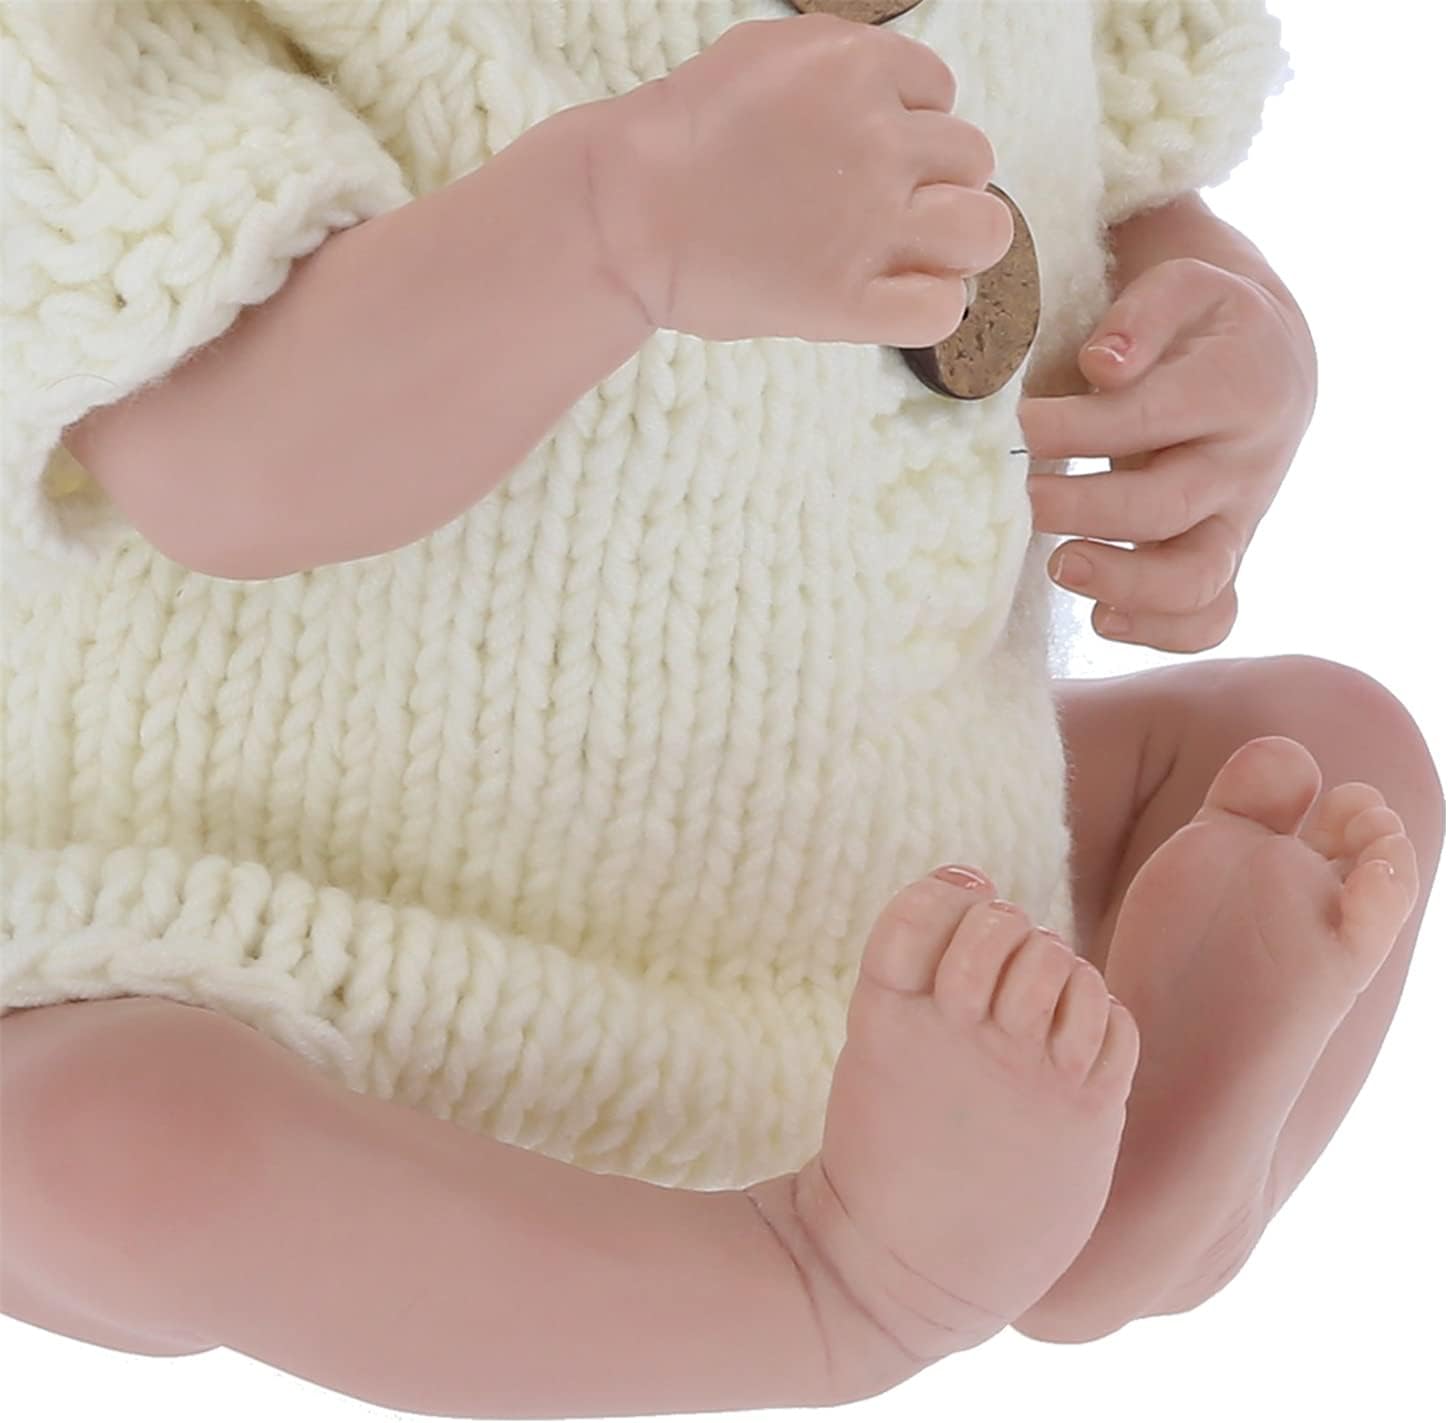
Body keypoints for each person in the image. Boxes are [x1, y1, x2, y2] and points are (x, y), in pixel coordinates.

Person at [1, 2, 1441, 1416]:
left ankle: (1112, 1194)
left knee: (1330, 756)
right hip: (257, 929)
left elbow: (1120, 204)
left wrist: (1219, 357)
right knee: (104, 1150)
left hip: (893, 921)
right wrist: (617, 226)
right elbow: (219, 465)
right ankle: (832, 1282)